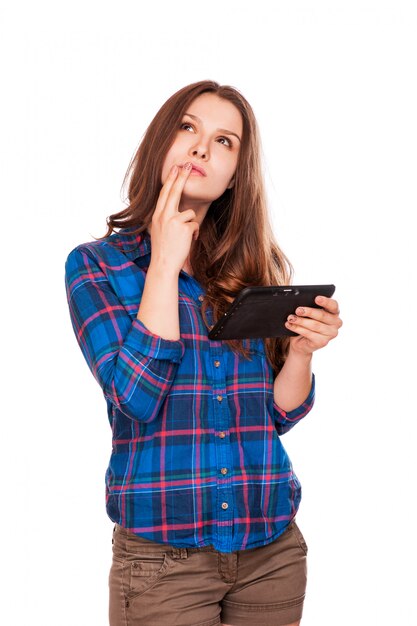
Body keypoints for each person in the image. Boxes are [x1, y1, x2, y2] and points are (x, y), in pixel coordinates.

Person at [65, 80, 342, 626]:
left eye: (224, 141)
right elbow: (135, 401)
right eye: (188, 127)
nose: (200, 148)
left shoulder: (252, 270)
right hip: (164, 565)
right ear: (160, 142)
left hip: (272, 552)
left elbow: (277, 415)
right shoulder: (96, 267)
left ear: (235, 174)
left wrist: (303, 353)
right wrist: (165, 263)